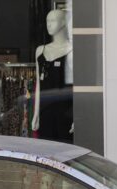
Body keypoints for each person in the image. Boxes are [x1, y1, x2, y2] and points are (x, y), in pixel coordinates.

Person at [32, 9, 74, 143]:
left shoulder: (72, 50)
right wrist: (36, 113)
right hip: (45, 112)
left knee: (65, 152)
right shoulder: (40, 51)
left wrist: (76, 116)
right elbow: (39, 84)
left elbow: (77, 86)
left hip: (65, 112)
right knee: (47, 152)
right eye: (47, 21)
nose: (48, 24)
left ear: (63, 23)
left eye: (53, 21)